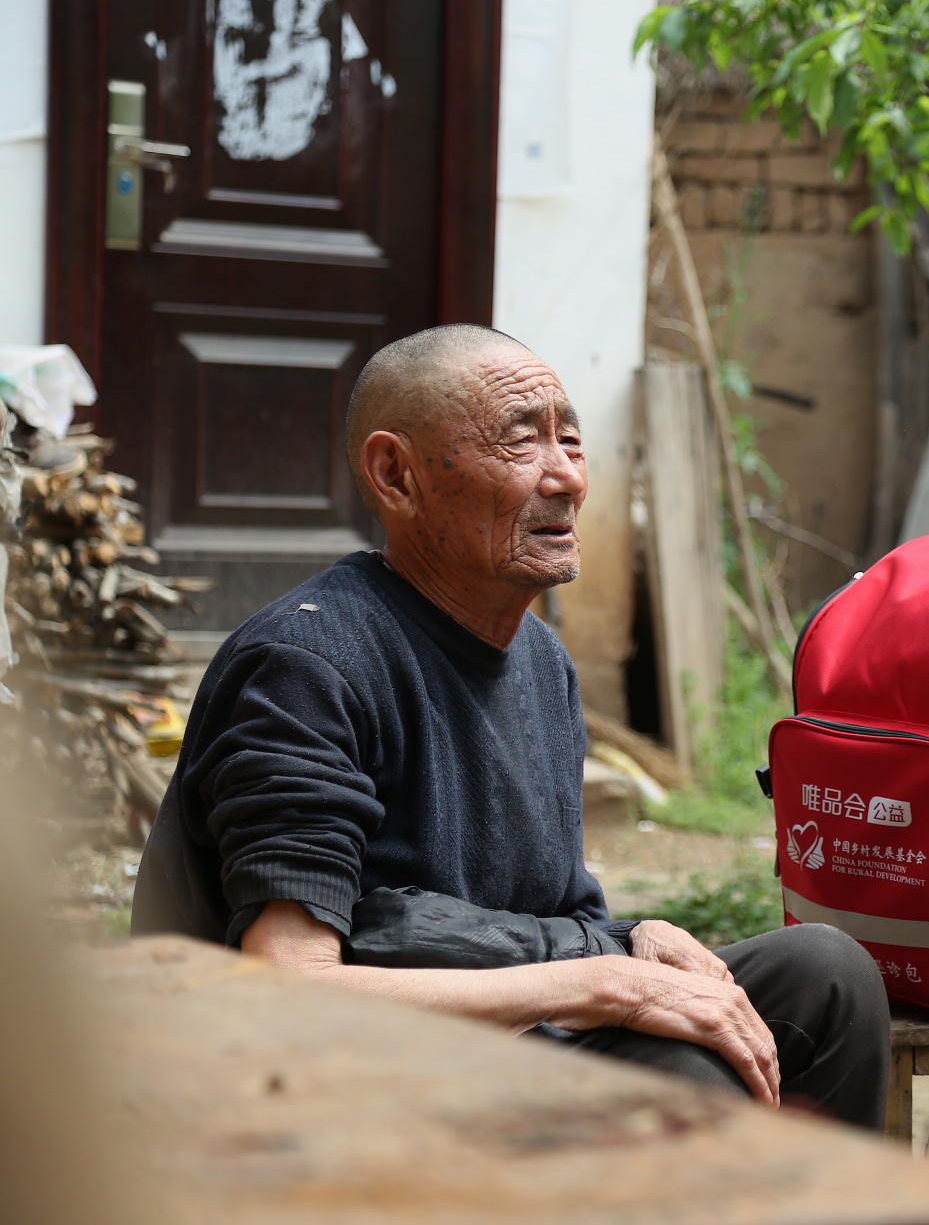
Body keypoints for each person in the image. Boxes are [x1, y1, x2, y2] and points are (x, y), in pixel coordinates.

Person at [132, 324, 890, 1127]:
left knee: (826, 973)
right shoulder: (306, 664)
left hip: (496, 1032)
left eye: (571, 438)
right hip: (308, 1081)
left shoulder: (541, 663)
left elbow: (549, 921)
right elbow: (288, 988)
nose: (564, 477)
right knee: (673, 1071)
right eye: (520, 441)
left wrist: (631, 938)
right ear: (397, 475)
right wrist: (607, 982)